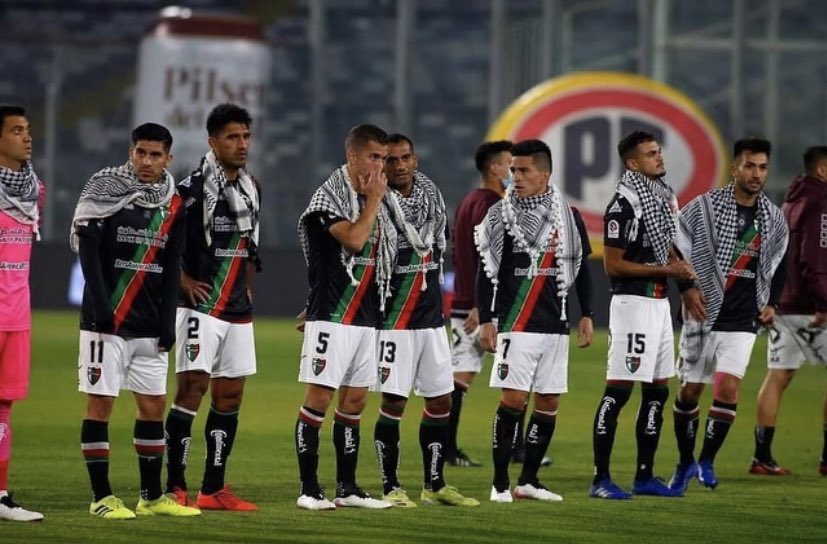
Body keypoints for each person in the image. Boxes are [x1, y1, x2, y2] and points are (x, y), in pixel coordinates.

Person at [73, 123, 199, 519]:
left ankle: (151, 496)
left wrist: (167, 323)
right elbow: (88, 255)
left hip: (148, 323)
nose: (146, 161)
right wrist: (99, 308)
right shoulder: (103, 189)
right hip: (106, 322)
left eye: (155, 154)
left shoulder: (175, 203)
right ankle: (101, 498)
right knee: (101, 404)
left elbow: (173, 262)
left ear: (168, 159)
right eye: (140, 152)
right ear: (131, 152)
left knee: (153, 406)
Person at [475, 139, 594, 503]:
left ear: (545, 174)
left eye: (524, 170)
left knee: (548, 402)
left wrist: (587, 313)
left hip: (555, 325)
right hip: (515, 322)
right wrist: (487, 319)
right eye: (513, 170)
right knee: (512, 400)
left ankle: (528, 481)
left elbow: (581, 268)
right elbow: (487, 271)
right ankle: (498, 484)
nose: (516, 177)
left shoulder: (568, 216)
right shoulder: (500, 215)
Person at [668, 137, 788, 491]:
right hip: (703, 311)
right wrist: (687, 290)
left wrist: (772, 303)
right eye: (750, 166)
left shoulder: (773, 217)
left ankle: (706, 461)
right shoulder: (704, 207)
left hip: (743, 317)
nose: (756, 174)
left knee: (728, 386)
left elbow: (779, 264)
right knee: (690, 392)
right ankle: (685, 460)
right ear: (735, 168)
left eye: (763, 167)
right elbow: (676, 249)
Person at [373, 134, 479, 508]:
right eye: (391, 160)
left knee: (440, 400)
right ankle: (390, 486)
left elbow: (442, 248)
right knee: (394, 403)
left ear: (415, 160)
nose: (399, 165)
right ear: (381, 164)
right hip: (394, 318)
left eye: (405, 158)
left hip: (432, 318)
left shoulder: (433, 196)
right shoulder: (374, 201)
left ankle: (434, 485)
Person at [589, 130, 696, 500]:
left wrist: (686, 288)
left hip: (658, 306)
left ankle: (644, 476)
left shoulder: (663, 199)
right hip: (632, 306)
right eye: (651, 154)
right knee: (617, 393)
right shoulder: (623, 205)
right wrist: (669, 273)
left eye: (659, 151)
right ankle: (600, 479)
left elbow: (670, 252)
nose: (659, 158)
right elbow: (614, 267)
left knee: (657, 393)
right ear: (632, 163)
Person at [164, 104, 261, 511]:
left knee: (230, 395)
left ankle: (213, 488)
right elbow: (164, 243)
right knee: (192, 389)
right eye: (232, 137)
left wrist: (248, 285)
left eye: (245, 136)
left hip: (236, 308)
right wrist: (181, 280)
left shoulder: (252, 187)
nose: (241, 144)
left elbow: (251, 243)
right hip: (200, 306)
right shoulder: (189, 192)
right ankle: (174, 486)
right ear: (212, 142)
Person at [294, 124, 393, 511]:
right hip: (333, 316)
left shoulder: (376, 200)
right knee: (319, 399)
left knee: (354, 402)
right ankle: (308, 489)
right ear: (353, 156)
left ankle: (347, 487)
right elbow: (354, 239)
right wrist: (372, 201)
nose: (380, 166)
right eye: (374, 157)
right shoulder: (327, 200)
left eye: (384, 158)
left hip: (365, 317)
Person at [751, 145, 827, 476]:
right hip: (811, 305)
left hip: (783, 301)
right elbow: (816, 257)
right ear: (822, 170)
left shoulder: (790, 202)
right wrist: (824, 302)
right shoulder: (821, 203)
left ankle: (761, 457)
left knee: (778, 376)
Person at [446, 140, 512, 467]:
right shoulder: (490, 206)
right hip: (479, 307)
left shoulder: (468, 201)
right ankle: (515, 450)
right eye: (510, 164)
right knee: (515, 374)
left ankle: (447, 449)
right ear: (494, 168)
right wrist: (480, 305)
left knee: (462, 376)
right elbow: (484, 259)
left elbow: (460, 255)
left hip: (465, 302)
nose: (513, 171)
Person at [0, 105, 43, 522]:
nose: (27, 137)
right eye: (16, 130)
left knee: (4, 407)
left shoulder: (33, 191)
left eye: (27, 130)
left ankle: (0, 496)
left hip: (17, 316)